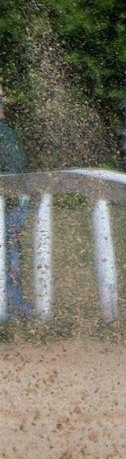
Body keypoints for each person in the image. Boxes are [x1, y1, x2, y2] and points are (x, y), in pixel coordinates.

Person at [0, 93, 32, 318]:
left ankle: (15, 309)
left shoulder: (5, 135)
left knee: (9, 256)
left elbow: (11, 174)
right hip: (10, 203)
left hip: (10, 205)